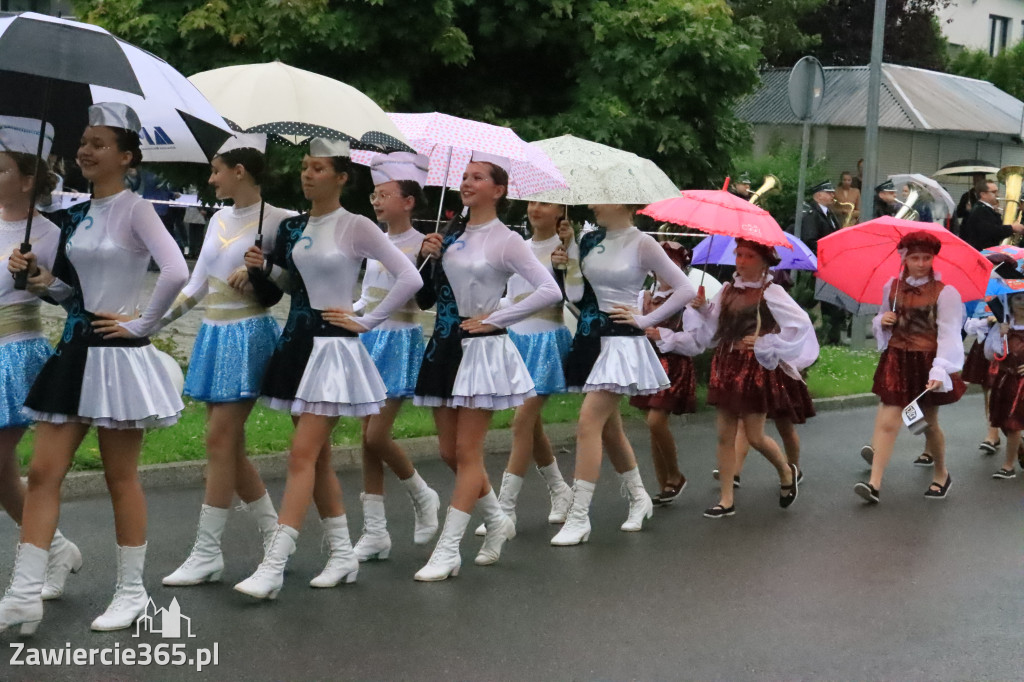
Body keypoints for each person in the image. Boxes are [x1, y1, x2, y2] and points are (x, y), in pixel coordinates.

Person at [1, 103, 189, 634]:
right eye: (84, 141)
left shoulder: (136, 208)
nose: (85, 150)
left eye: (99, 143)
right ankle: (22, 594)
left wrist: (142, 324)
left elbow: (174, 269)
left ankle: (132, 591)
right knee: (42, 472)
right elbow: (72, 294)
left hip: (118, 358)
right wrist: (41, 280)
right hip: (75, 353)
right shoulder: (78, 214)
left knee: (119, 476)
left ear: (126, 157)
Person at [233, 138, 421, 599]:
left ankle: (274, 564)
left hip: (334, 349)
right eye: (304, 167)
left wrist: (367, 320)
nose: (307, 174)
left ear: (341, 177)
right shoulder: (295, 228)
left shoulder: (356, 225)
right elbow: (293, 283)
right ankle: (341, 554)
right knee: (313, 458)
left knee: (301, 454)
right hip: (296, 345)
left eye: (318, 168)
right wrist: (264, 269)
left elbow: (409, 277)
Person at [412, 153, 560, 580]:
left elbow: (548, 290)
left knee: (467, 451)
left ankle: (448, 550)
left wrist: (497, 318)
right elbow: (424, 298)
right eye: (464, 176)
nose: (467, 181)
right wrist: (429, 256)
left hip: (481, 348)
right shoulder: (451, 234)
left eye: (478, 177)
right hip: (443, 346)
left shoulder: (506, 240)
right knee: (446, 451)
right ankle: (496, 519)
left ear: (498, 190)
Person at [159, 133, 297, 588]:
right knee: (228, 447)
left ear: (240, 171)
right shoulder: (219, 218)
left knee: (220, 439)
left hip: (249, 334)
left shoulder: (281, 220)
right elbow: (196, 284)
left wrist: (263, 268)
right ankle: (274, 534)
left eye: (217, 169)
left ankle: (206, 551)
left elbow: (297, 283)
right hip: (213, 334)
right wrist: (147, 325)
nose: (211, 177)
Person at [553, 202, 695, 545]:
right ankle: (639, 497)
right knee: (609, 431)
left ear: (622, 203)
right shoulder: (588, 240)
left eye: (601, 198)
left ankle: (579, 516)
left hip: (622, 341)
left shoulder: (643, 242)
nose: (592, 204)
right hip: (594, 338)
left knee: (588, 422)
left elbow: (685, 289)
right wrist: (564, 267)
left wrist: (644, 320)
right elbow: (575, 295)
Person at [658, 240, 814, 518]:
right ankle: (726, 499)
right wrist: (704, 307)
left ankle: (785, 472)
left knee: (754, 436)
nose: (741, 261)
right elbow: (714, 324)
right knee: (723, 435)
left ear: (763, 262)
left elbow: (800, 323)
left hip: (753, 367)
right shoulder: (729, 289)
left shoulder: (771, 291)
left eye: (748, 256)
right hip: (726, 363)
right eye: (739, 255)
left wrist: (768, 341)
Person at [0, 118, 82, 611]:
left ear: (28, 179)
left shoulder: (48, 233)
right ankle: (54, 547)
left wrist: (36, 276)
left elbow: (68, 295)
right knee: (2, 472)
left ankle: (45, 551)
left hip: (15, 350)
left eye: (2, 168)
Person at [350, 152, 441, 562]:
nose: (376, 201)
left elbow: (424, 302)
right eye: (374, 194)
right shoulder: (373, 242)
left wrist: (431, 260)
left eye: (385, 194)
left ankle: (422, 493)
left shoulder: (423, 244)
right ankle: (374, 532)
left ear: (408, 200)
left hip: (399, 339)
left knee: (376, 435)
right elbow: (367, 294)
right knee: (366, 441)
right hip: (367, 339)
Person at [472, 200, 576, 538]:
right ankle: (560, 489)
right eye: (533, 202)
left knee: (521, 422)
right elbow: (509, 295)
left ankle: (505, 508)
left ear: (560, 211)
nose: (536, 209)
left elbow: (572, 296)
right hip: (516, 340)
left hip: (546, 341)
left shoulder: (563, 250)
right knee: (530, 426)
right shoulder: (518, 246)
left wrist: (567, 264)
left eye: (545, 204)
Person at [854, 231, 965, 504]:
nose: (921, 263)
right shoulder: (891, 287)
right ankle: (874, 484)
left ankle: (941, 473)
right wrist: (883, 320)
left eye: (927, 258)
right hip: (896, 359)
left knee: (926, 424)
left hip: (927, 362)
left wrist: (940, 368)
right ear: (904, 258)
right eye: (915, 257)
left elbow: (949, 333)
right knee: (889, 421)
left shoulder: (945, 293)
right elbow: (881, 317)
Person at [631, 241, 696, 505]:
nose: (665, 272)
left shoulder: (687, 302)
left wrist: (665, 335)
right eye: (661, 266)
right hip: (648, 364)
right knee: (653, 427)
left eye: (672, 266)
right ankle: (664, 483)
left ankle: (676, 476)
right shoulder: (643, 297)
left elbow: (696, 342)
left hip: (673, 367)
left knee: (656, 421)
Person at [985, 292, 1024, 479]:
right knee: (1003, 422)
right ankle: (1020, 449)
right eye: (1018, 298)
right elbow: (990, 354)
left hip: (1022, 383)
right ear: (1010, 301)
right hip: (1005, 380)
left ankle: (1008, 466)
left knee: (1014, 423)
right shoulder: (1004, 324)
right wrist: (1001, 335)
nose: (1022, 302)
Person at [961, 179, 1024, 251]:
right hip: (984, 253)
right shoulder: (980, 210)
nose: (997, 194)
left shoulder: (984, 208)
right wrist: (1012, 227)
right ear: (983, 194)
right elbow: (990, 231)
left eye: (997, 191)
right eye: (994, 192)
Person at [800, 180, 841, 255]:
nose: (833, 195)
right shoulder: (812, 214)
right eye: (829, 193)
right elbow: (810, 240)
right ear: (819, 195)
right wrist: (828, 251)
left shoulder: (829, 212)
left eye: (832, 193)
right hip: (819, 257)